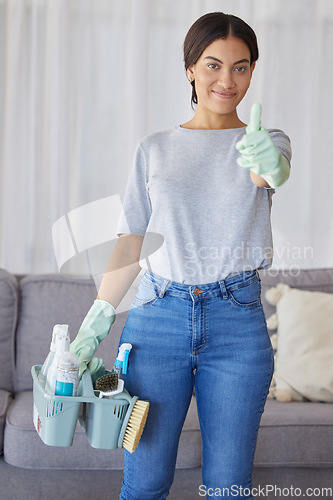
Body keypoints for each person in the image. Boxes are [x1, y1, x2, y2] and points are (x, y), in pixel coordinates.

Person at [70, 11, 292, 500]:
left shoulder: (266, 142)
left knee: (228, 488)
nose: (227, 79)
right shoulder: (154, 150)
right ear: (190, 68)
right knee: (145, 483)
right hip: (156, 323)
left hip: (237, 324)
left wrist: (268, 162)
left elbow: (270, 175)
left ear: (253, 71)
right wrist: (96, 321)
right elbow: (130, 242)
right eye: (213, 65)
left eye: (240, 67)